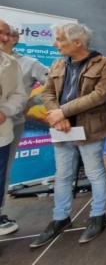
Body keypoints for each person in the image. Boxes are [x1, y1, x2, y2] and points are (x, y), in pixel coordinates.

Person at [30, 23, 106, 247]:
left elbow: (100, 95)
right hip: (61, 128)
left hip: (90, 128)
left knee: (95, 173)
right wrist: (57, 115)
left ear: (77, 42)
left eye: (59, 39)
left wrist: (63, 111)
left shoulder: (104, 63)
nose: (55, 44)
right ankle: (60, 218)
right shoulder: (58, 63)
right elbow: (47, 91)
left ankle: (98, 215)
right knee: (63, 175)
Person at [2, 25, 49, 208]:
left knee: (2, 169)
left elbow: (54, 84)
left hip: (10, 124)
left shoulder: (28, 63)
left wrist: (29, 103)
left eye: (7, 35)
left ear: (14, 39)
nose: (4, 38)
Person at [0, 19, 28, 236]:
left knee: (1, 174)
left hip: (3, 132)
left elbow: (20, 94)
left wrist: (6, 111)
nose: (5, 38)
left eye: (7, 34)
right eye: (1, 33)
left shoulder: (12, 64)